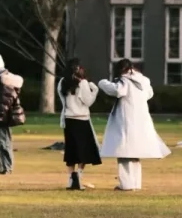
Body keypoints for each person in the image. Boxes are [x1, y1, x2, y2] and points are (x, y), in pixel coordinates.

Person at [98, 58, 170, 191]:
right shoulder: (144, 81)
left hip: (126, 121)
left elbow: (118, 91)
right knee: (135, 154)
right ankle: (136, 184)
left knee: (124, 153)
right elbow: (149, 94)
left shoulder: (124, 80)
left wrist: (102, 83)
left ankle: (126, 185)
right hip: (141, 120)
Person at [57, 58, 101, 190]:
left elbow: (63, 100)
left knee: (71, 150)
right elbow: (88, 101)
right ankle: (79, 176)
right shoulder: (83, 83)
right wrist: (94, 90)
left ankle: (71, 179)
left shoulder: (62, 83)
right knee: (83, 150)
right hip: (82, 119)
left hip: (69, 119)